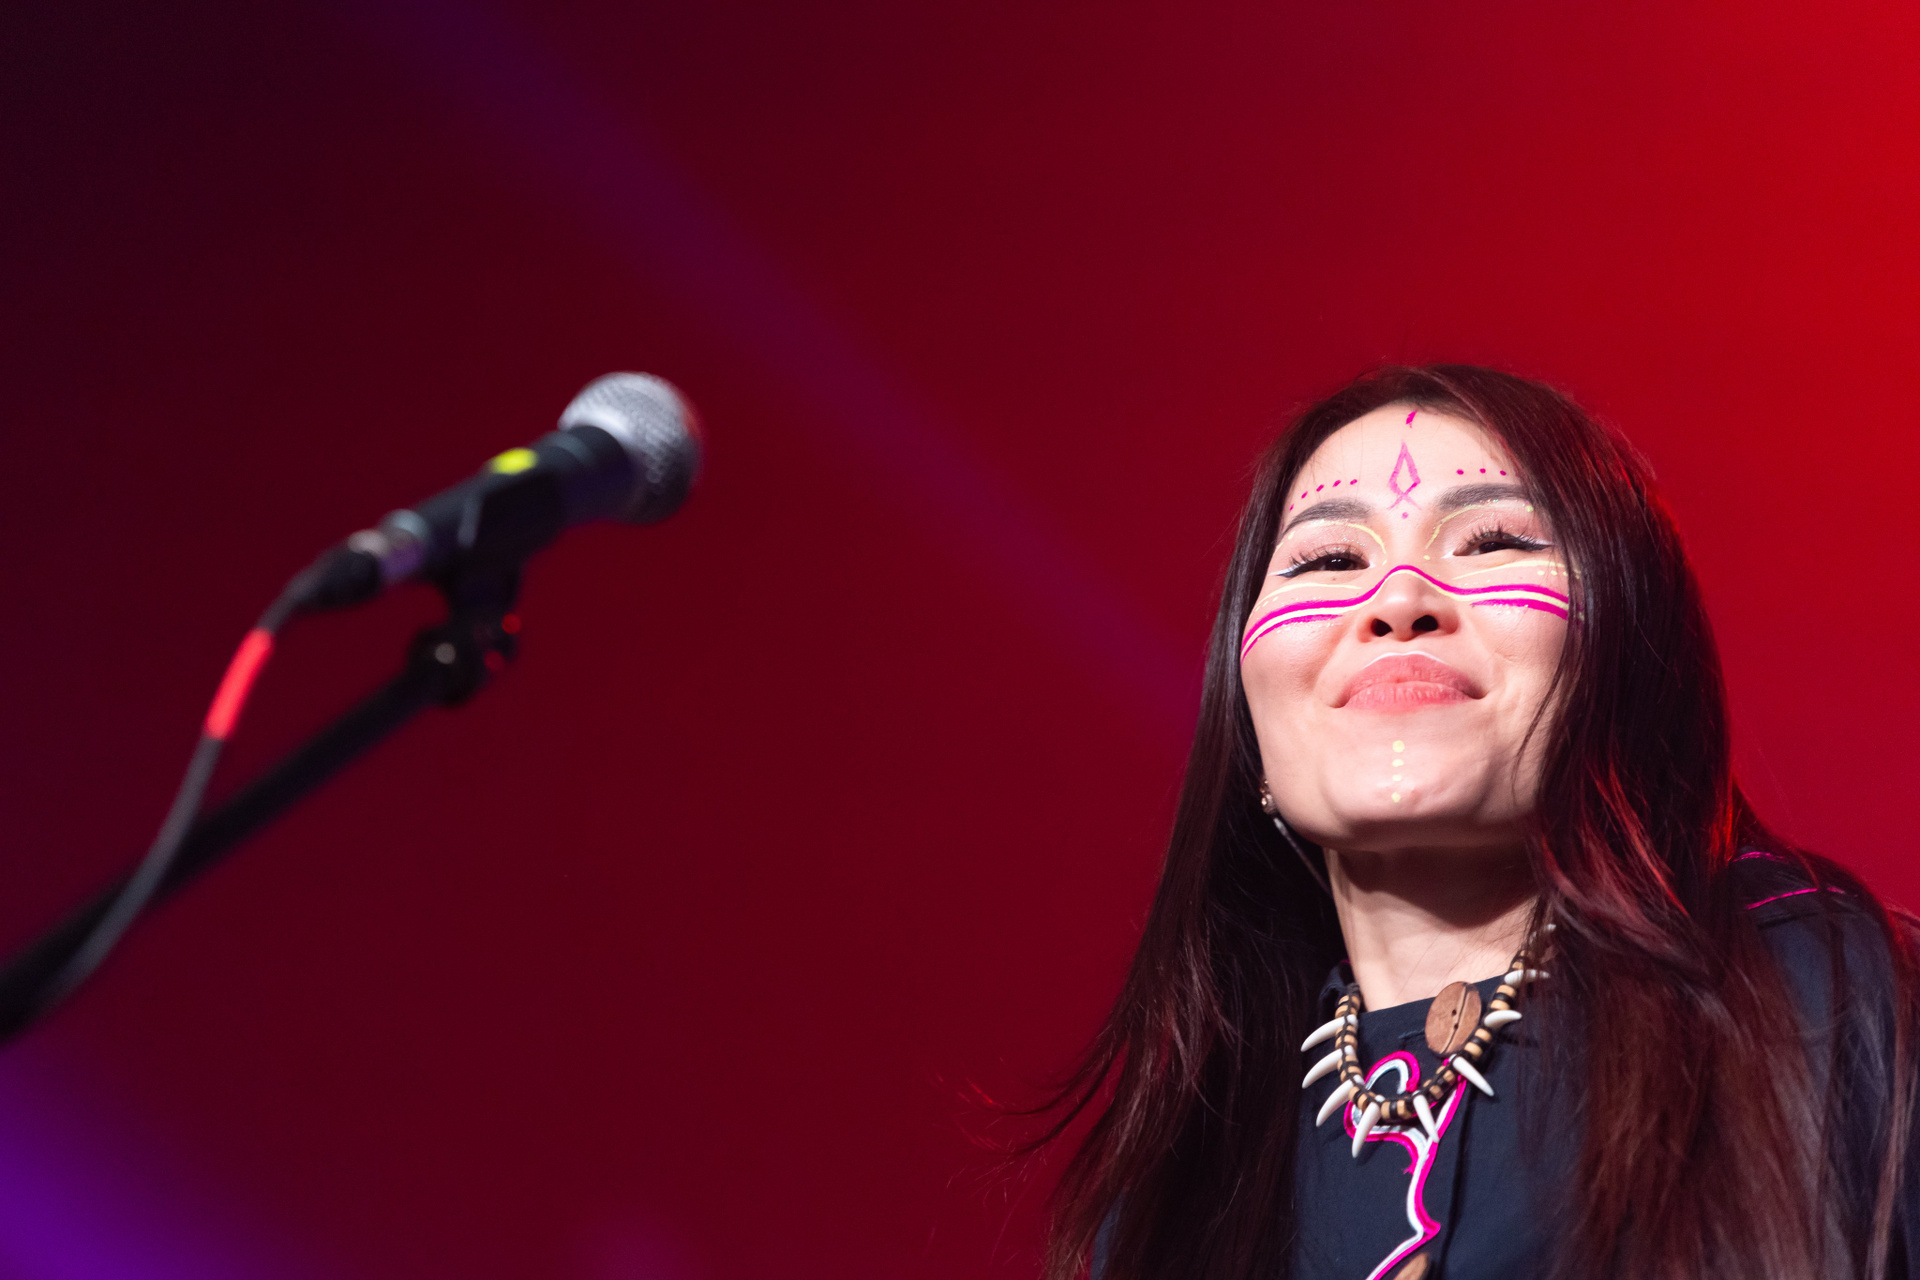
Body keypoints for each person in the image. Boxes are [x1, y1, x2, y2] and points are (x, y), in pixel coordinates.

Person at [1037, 366, 1920, 1280]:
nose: (1398, 599)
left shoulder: (1846, 1008)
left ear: (1631, 650)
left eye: (1493, 541)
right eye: (1330, 560)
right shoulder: (1175, 1196)